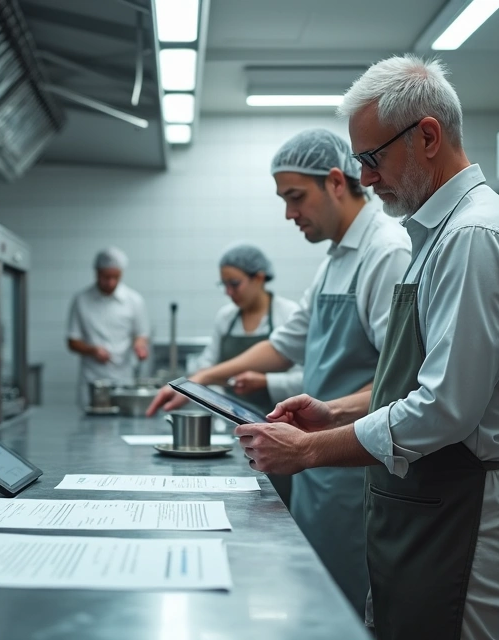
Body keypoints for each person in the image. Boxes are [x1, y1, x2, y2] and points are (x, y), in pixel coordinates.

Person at [236, 55, 499, 640]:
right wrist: (338, 411)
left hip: (465, 504)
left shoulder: (474, 237)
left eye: (372, 160)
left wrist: (308, 451)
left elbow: (446, 408)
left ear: (427, 136)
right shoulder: (435, 236)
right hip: (430, 499)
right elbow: (415, 382)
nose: (367, 178)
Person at [146, 128, 412, 616]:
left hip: (356, 468)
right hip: (315, 464)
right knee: (313, 599)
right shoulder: (335, 261)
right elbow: (283, 344)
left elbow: (397, 383)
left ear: (336, 181)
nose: (290, 214)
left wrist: (329, 414)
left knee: (346, 607)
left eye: (296, 197)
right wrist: (200, 380)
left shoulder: (385, 251)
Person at [187, 244, 305, 411]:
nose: (228, 292)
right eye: (224, 285)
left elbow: (304, 379)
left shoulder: (289, 314)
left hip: (280, 420)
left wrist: (266, 382)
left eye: (234, 284)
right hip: (230, 418)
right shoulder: (226, 317)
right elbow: (207, 365)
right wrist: (223, 403)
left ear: (259, 278)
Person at [67, 247, 150, 406]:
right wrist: (92, 350)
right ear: (96, 273)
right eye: (106, 277)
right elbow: (72, 341)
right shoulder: (81, 300)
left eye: (115, 277)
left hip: (123, 379)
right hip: (92, 381)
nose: (110, 282)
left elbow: (141, 334)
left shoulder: (134, 300)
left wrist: (140, 346)